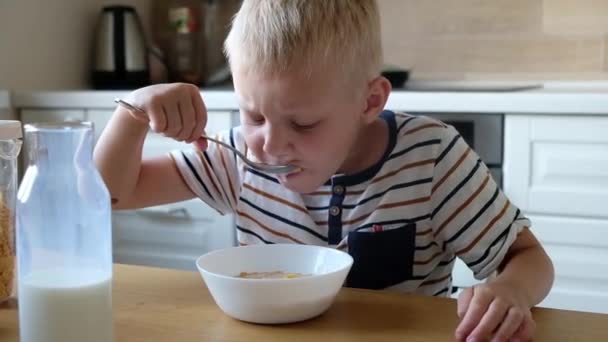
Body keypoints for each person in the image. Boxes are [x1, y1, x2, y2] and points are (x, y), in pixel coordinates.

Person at [94, 1, 554, 341]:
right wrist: (131, 116)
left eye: (303, 123)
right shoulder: (237, 157)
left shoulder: (431, 157)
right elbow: (109, 194)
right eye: (253, 116)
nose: (270, 145)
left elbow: (529, 259)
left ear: (369, 101)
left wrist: (511, 290)